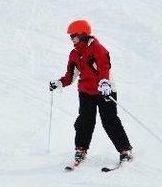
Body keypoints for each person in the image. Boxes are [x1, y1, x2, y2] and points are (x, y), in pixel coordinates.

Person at [49, 20, 133, 165]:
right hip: (86, 92)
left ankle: (125, 150)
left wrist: (105, 83)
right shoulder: (74, 54)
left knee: (110, 121)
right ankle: (81, 150)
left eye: (73, 36)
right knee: (84, 121)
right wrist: (59, 83)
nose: (71, 39)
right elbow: (70, 75)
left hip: (104, 90)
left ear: (82, 35)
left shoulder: (97, 48)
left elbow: (104, 67)